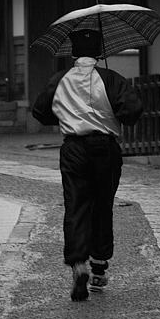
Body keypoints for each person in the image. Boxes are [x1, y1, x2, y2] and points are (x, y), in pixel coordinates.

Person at [32, 28, 143, 302]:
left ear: (73, 52)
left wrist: (66, 113)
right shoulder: (111, 79)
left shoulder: (60, 79)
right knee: (102, 204)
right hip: (104, 149)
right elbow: (132, 110)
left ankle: (78, 263)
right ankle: (99, 267)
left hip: (73, 149)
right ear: (100, 52)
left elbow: (40, 111)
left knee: (76, 204)